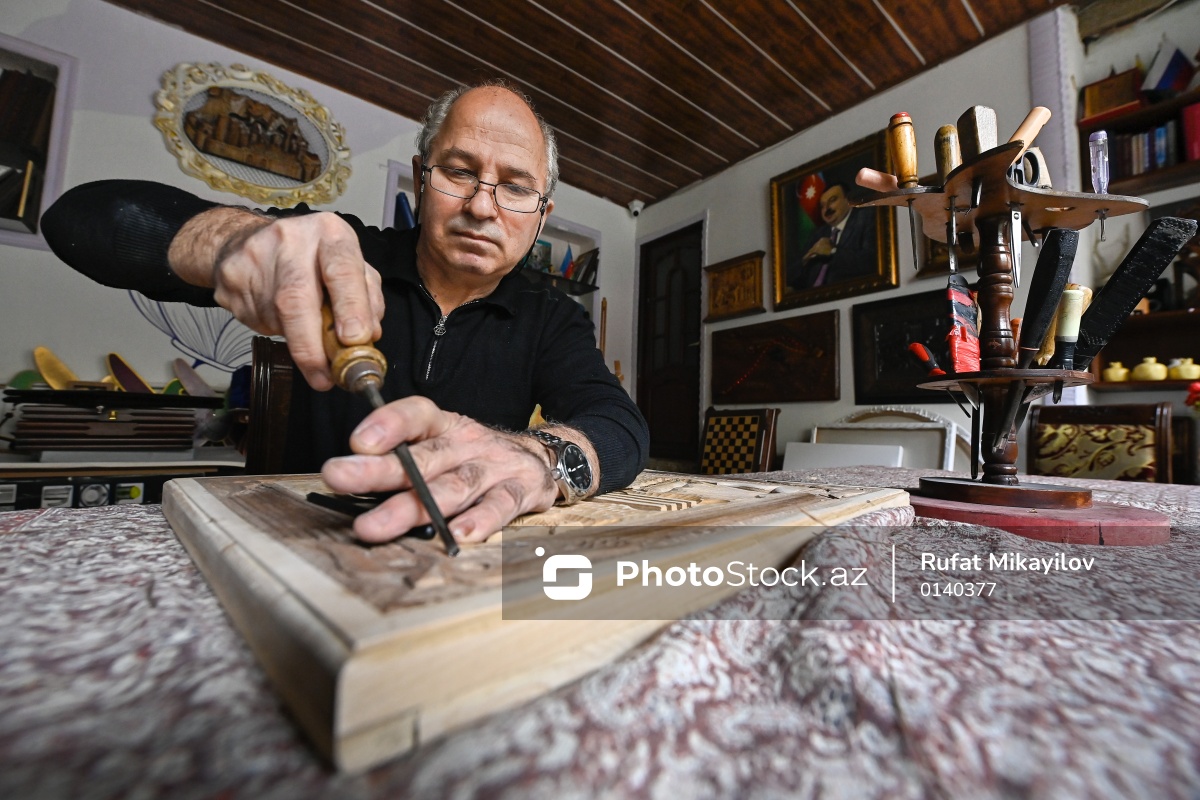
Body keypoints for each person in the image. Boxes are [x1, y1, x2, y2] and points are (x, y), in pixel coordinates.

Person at [41, 80, 648, 546]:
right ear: (421, 177)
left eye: (516, 187)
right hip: (297, 540)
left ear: (541, 214)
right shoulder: (337, 250)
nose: (483, 207)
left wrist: (542, 457)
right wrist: (234, 241)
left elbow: (620, 426)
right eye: (460, 172)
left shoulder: (552, 315)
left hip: (462, 549)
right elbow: (78, 220)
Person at [794, 183, 877, 289]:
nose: (826, 209)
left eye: (832, 200)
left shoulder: (866, 218)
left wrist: (833, 251)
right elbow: (797, 271)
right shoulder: (818, 233)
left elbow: (872, 261)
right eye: (822, 206)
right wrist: (805, 260)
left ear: (848, 200)